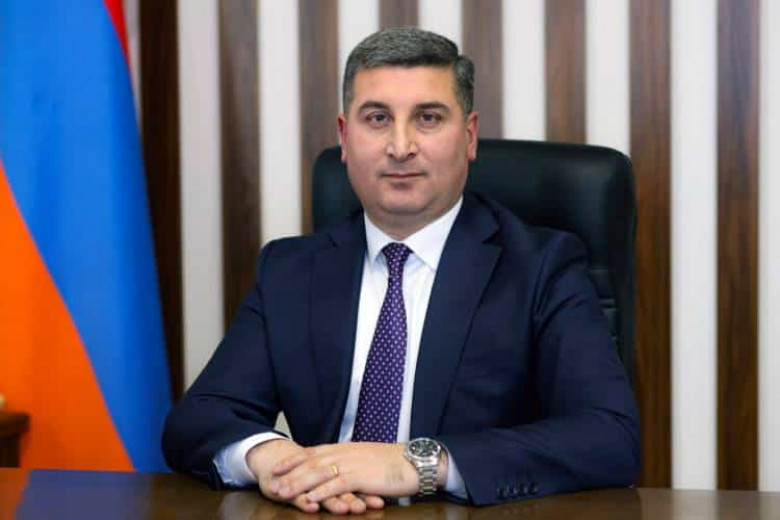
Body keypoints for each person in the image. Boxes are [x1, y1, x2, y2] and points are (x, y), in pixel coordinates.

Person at [162, 26, 640, 515]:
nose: (400, 145)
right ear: (345, 137)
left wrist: (413, 464)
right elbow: (198, 418)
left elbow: (608, 436)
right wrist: (276, 461)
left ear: (469, 136)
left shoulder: (541, 266)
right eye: (377, 118)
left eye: (428, 118)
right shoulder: (290, 270)